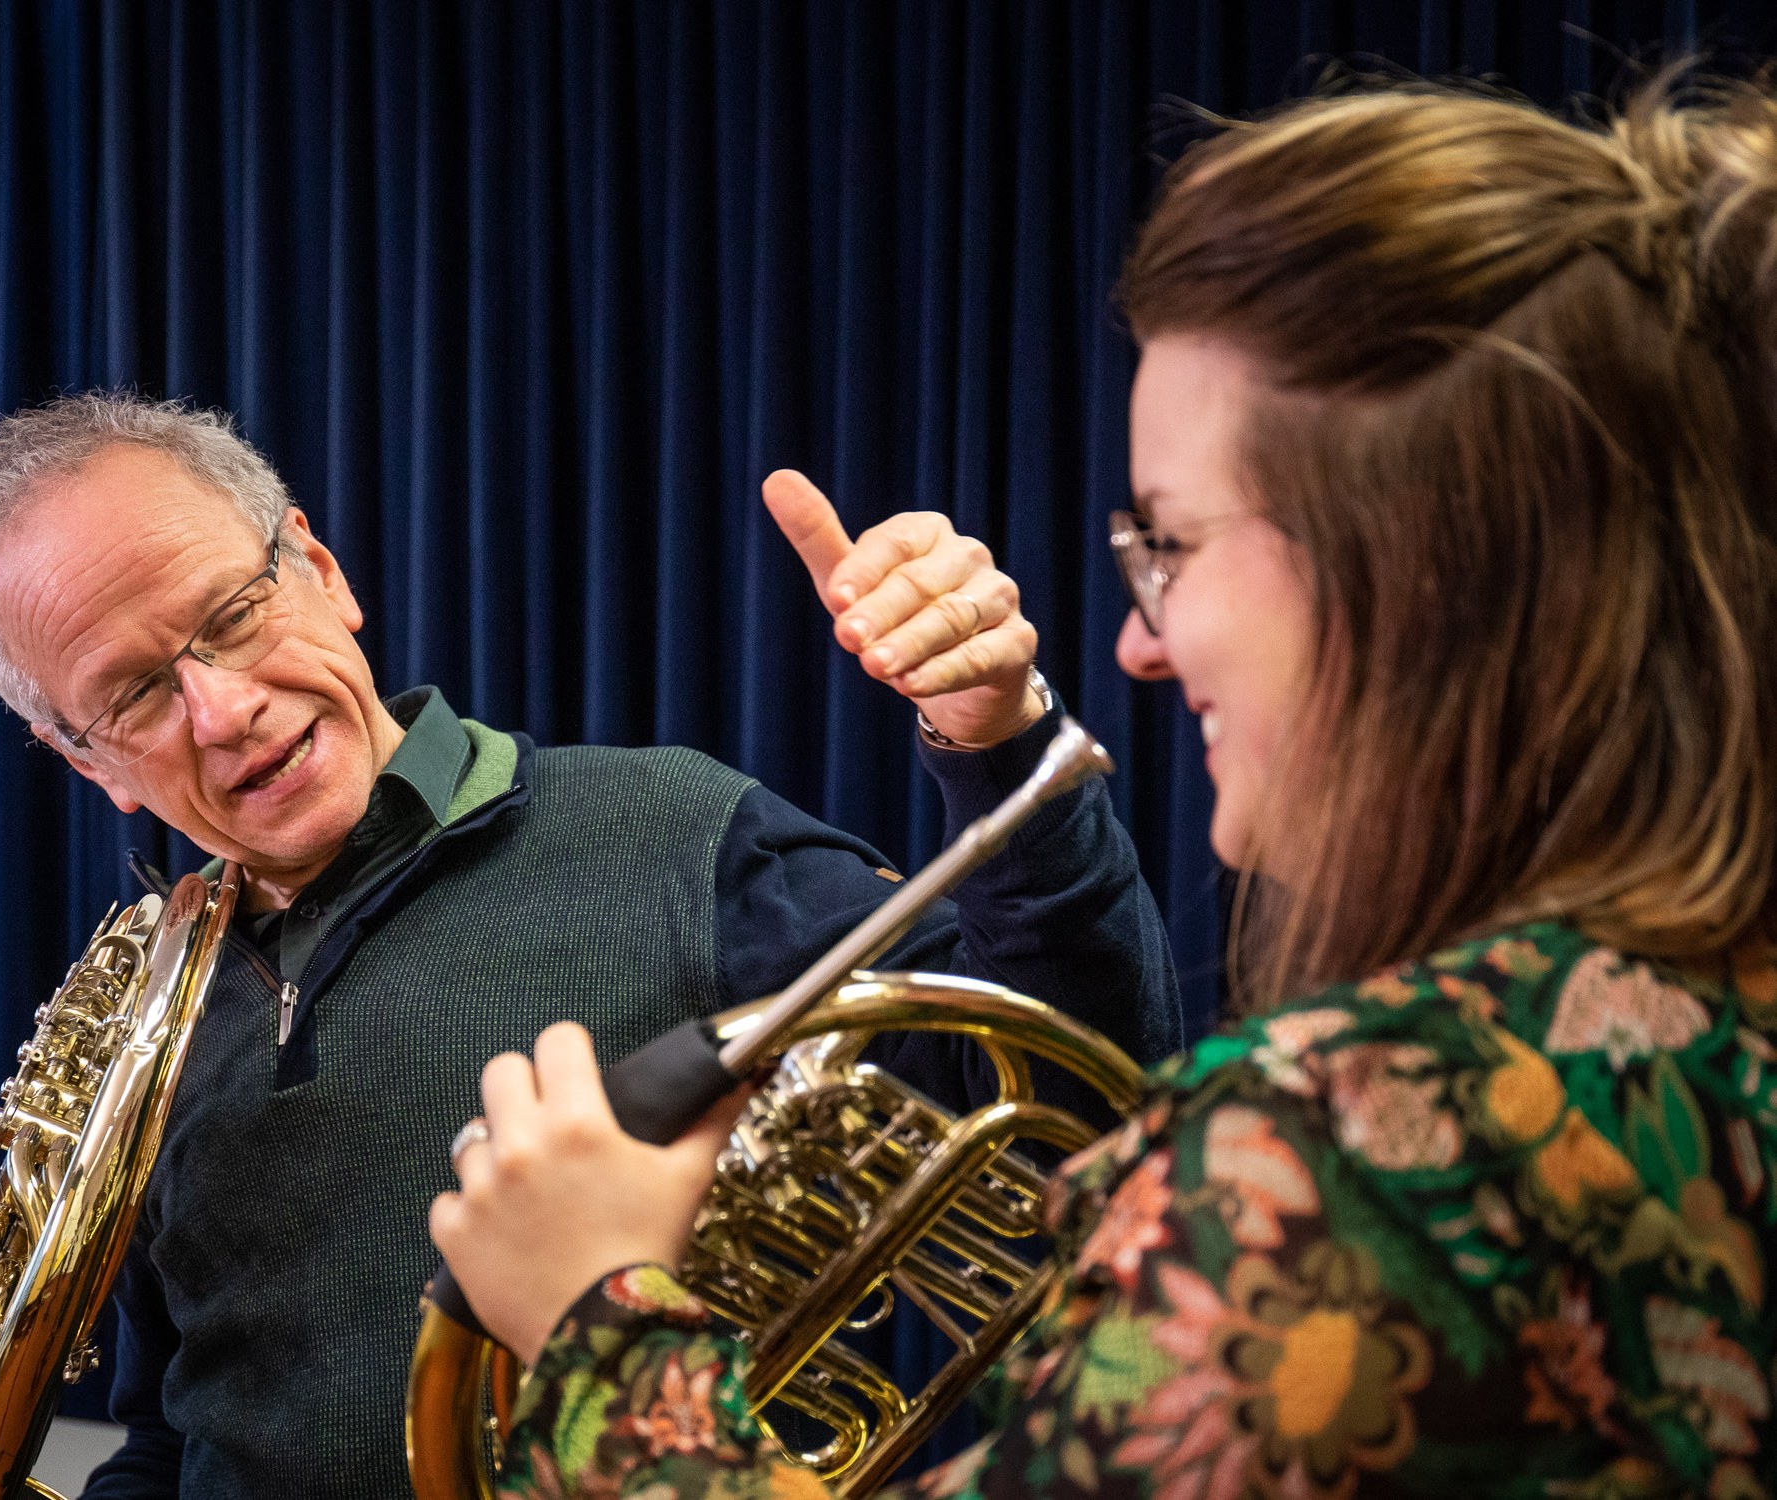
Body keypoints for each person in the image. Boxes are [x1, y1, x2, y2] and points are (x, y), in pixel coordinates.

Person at [434, 75, 1777, 1499]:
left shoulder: (1359, 1137)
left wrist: (598, 1327)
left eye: (1170, 545)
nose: (1136, 638)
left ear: (1416, 566)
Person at [0, 393, 1182, 1499]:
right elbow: (176, 1426)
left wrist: (998, 738)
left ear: (320, 569)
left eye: (235, 615)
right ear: (88, 763)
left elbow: (1075, 1098)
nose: (224, 707)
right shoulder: (156, 1015)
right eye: (137, 695)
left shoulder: (676, 834)